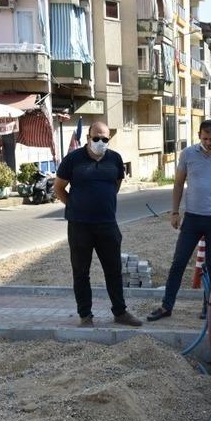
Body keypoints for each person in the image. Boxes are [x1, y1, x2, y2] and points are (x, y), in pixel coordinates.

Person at [147, 120, 211, 321]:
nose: (208, 143)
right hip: (192, 218)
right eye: (204, 138)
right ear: (199, 136)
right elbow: (178, 184)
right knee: (179, 262)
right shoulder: (188, 154)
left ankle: (207, 306)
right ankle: (167, 306)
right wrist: (174, 212)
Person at [53, 122, 143, 328]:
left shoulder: (115, 159)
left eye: (105, 139)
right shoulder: (73, 159)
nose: (100, 142)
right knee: (81, 272)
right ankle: (85, 315)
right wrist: (75, 206)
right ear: (88, 137)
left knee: (113, 270)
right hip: (79, 226)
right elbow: (59, 188)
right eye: (96, 138)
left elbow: (116, 186)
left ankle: (120, 312)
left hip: (107, 224)